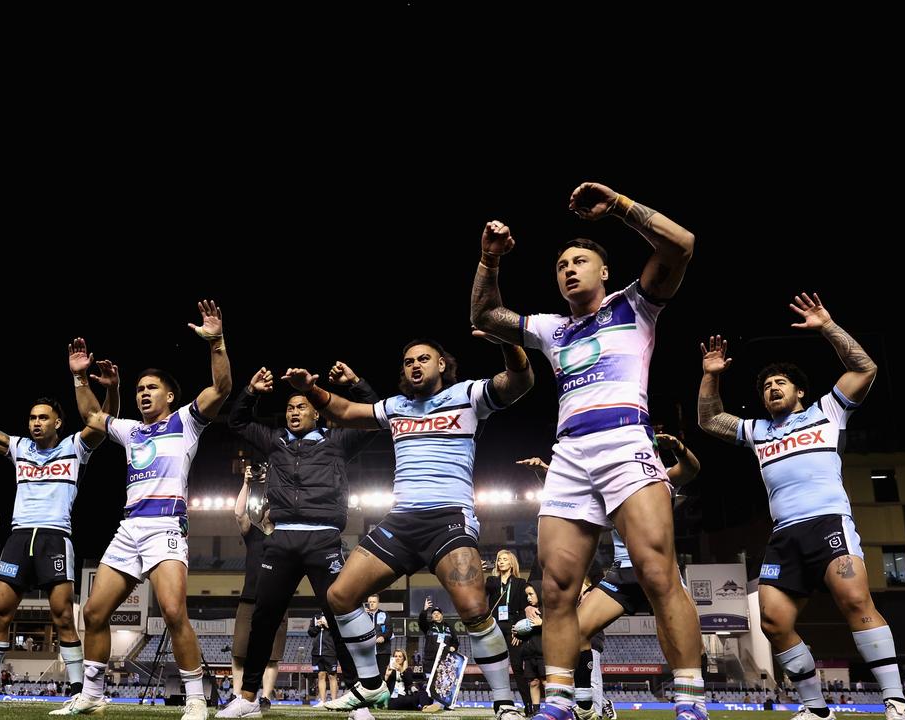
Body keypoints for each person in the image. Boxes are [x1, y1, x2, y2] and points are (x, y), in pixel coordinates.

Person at [470, 183, 703, 720]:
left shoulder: (636, 304)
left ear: (604, 272)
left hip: (625, 441)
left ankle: (690, 702)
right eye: (560, 265)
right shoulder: (554, 329)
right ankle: (558, 702)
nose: (569, 269)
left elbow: (682, 245)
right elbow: (485, 314)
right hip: (571, 454)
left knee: (656, 570)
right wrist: (489, 259)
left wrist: (619, 206)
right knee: (555, 587)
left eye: (581, 260)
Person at [284, 336, 533, 720]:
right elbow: (349, 411)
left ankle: (504, 702)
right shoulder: (397, 407)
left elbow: (520, 383)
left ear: (442, 365)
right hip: (401, 521)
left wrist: (507, 342)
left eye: (423, 359)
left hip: (448, 517)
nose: (414, 366)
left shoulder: (468, 395)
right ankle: (370, 684)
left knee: (473, 607)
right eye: (407, 361)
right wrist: (311, 390)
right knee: (339, 596)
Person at [697, 293, 905, 720]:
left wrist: (828, 326)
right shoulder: (757, 430)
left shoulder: (827, 411)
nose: (771, 388)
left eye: (780, 383)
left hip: (827, 522)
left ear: (799, 391)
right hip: (784, 535)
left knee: (854, 600)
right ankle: (816, 708)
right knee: (773, 622)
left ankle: (895, 702)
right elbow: (708, 420)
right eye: (765, 386)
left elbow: (864, 368)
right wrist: (711, 376)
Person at [0, 341, 119, 712]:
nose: (35, 423)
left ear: (58, 422)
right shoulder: (19, 448)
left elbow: (103, 423)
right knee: (0, 613)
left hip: (54, 536)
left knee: (64, 616)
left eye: (42, 417)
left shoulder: (75, 446)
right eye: (32, 417)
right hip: (19, 537)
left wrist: (106, 388)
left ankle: (79, 693)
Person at [69, 300, 232, 720]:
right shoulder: (131, 430)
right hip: (129, 528)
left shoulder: (185, 421)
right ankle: (93, 693)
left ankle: (196, 698)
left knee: (175, 612)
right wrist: (79, 375)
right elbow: (90, 413)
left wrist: (216, 342)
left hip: (166, 526)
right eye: (139, 388)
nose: (143, 393)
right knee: (94, 611)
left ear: (170, 394)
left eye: (151, 387)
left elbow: (222, 389)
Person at [217, 360, 379, 720]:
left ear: (317, 412)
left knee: (341, 618)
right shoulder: (274, 442)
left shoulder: (337, 443)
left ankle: (357, 699)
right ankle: (247, 697)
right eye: (289, 407)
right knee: (264, 619)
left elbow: (373, 417)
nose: (293, 412)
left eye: (301, 406)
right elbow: (238, 422)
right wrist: (250, 393)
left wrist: (355, 382)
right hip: (282, 539)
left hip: (323, 539)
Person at [522, 430, 701, 720]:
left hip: (660, 573)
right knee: (577, 630)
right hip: (623, 572)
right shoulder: (611, 487)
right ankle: (585, 704)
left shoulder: (660, 478)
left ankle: (692, 706)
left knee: (688, 643)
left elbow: (691, 469)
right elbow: (575, 502)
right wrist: (547, 474)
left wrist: (679, 447)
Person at [226, 463, 286, 710]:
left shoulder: (287, 540)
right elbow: (239, 514)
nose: (270, 511)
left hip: (277, 603)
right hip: (248, 600)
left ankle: (265, 698)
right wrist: (247, 483)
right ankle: (238, 696)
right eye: (268, 507)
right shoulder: (254, 535)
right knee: (239, 653)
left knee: (272, 657)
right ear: (261, 513)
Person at [487, 549, 533, 710]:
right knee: (497, 669)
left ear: (511, 563)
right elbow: (479, 592)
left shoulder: (520, 583)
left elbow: (524, 609)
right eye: (499, 559)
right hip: (495, 628)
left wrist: (520, 631)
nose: (501, 561)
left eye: (505, 559)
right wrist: (477, 572)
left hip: (513, 628)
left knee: (517, 667)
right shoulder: (492, 581)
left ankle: (529, 704)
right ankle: (501, 703)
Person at [310, 612, 340, 705]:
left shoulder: (335, 616)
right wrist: (318, 626)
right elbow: (311, 632)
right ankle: (322, 701)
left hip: (330, 651)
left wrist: (327, 625)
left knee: (332, 675)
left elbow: (338, 632)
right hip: (316, 653)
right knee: (320, 675)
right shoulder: (316, 617)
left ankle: (334, 701)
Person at [368, 594, 395, 678]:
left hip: (383, 651)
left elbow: (389, 630)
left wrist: (383, 637)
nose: (372, 604)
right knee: (370, 676)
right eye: (370, 602)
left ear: (378, 603)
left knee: (382, 675)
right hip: (368, 652)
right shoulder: (364, 616)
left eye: (374, 602)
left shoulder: (384, 614)